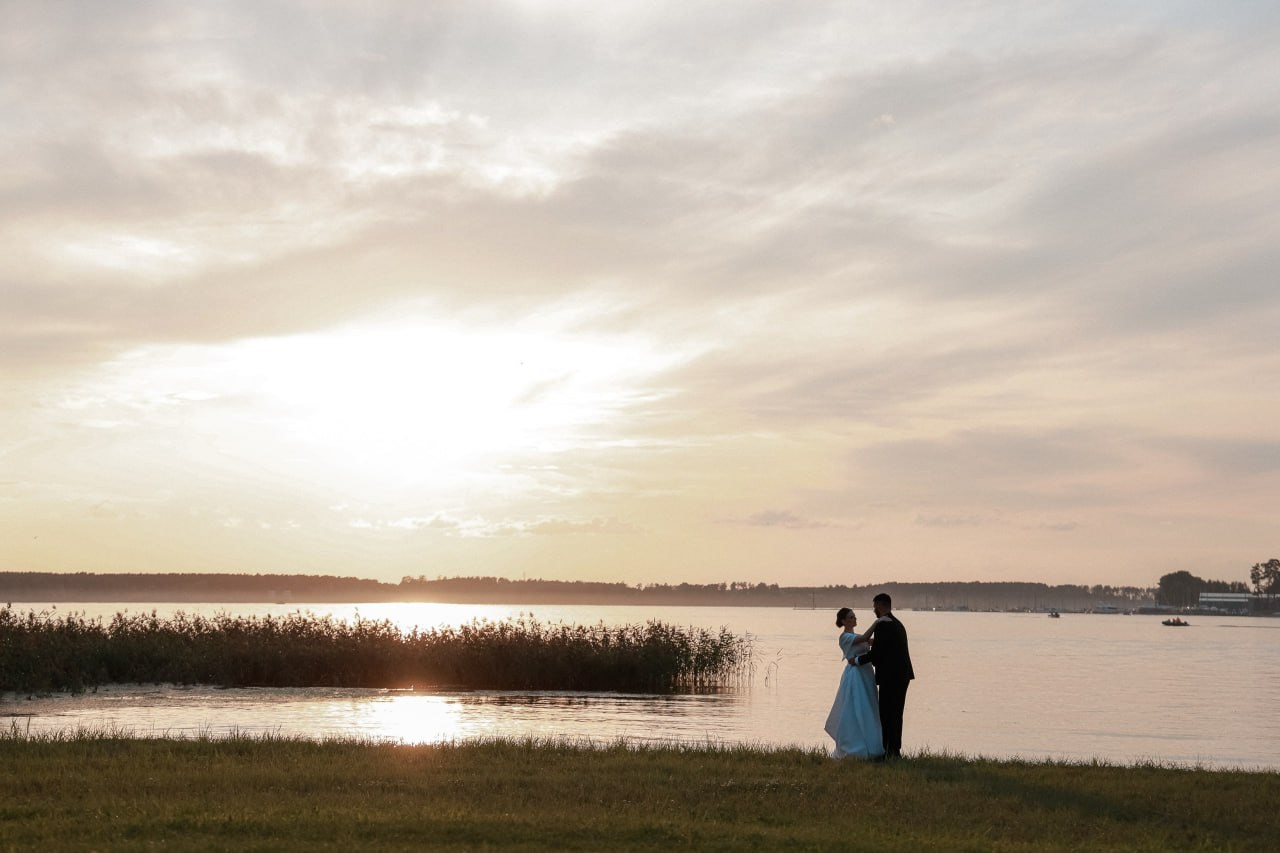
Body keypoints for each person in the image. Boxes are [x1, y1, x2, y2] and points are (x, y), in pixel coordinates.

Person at [851, 593, 913, 759]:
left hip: (891, 676)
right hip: (903, 675)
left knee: (886, 713)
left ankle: (887, 750)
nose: (873, 610)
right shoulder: (897, 623)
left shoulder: (884, 625)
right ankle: (894, 750)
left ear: (880, 605)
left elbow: (877, 654)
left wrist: (856, 660)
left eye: (875, 607)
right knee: (896, 713)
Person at [823, 607, 885, 759]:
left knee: (869, 706)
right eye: (850, 617)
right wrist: (877, 623)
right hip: (855, 675)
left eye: (854, 616)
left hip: (866, 673)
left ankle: (873, 743)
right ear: (843, 621)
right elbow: (864, 638)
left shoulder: (856, 635)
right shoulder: (845, 637)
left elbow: (870, 642)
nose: (854, 619)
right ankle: (854, 745)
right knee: (856, 706)